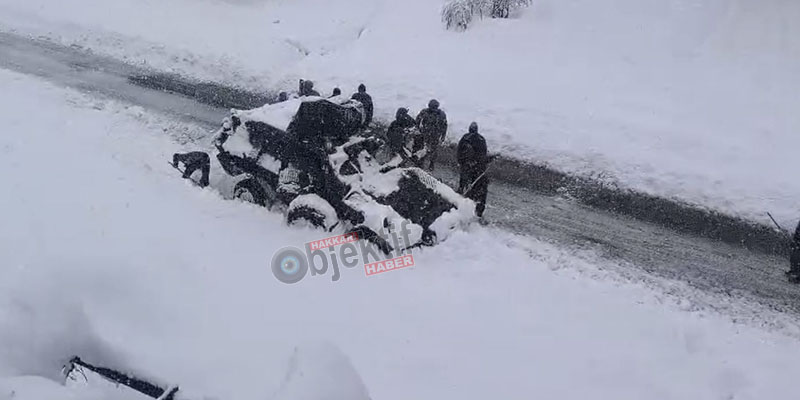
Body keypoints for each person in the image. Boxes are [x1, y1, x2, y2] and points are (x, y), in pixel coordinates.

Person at [457, 122, 489, 218]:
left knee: (465, 184)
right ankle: (478, 212)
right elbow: (484, 154)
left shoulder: (466, 138)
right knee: (480, 191)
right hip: (479, 169)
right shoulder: (481, 139)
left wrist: (461, 162)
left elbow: (459, 151)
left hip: (468, 167)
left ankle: (462, 200)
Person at [415, 99, 448, 171]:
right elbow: (417, 120)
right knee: (424, 148)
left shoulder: (441, 114)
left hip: (435, 135)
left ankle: (431, 163)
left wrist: (443, 136)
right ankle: (421, 162)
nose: (433, 109)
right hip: (426, 133)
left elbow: (444, 126)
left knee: (433, 150)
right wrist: (418, 129)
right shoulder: (425, 112)